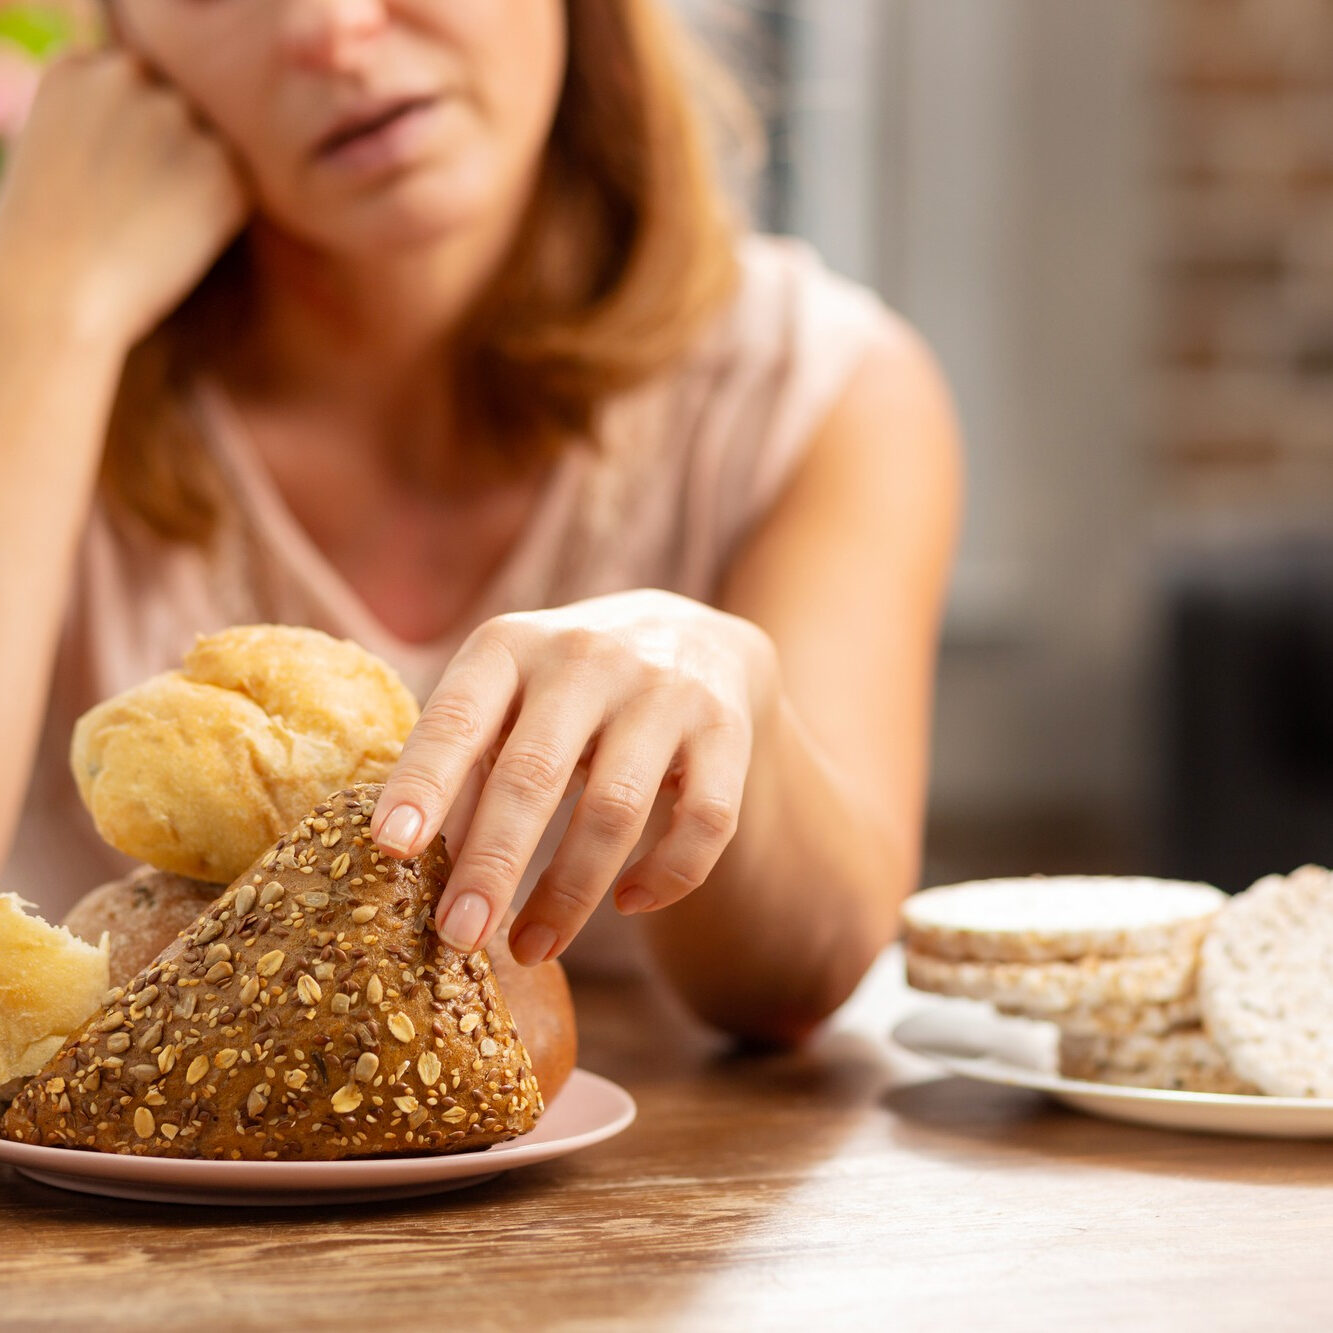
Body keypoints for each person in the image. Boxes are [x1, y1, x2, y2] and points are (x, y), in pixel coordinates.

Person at [0, 0, 961, 1046]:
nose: (330, 29)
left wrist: (733, 701)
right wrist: (53, 311)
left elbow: (799, 979)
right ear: (122, 46)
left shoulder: (821, 391)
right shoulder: (42, 360)